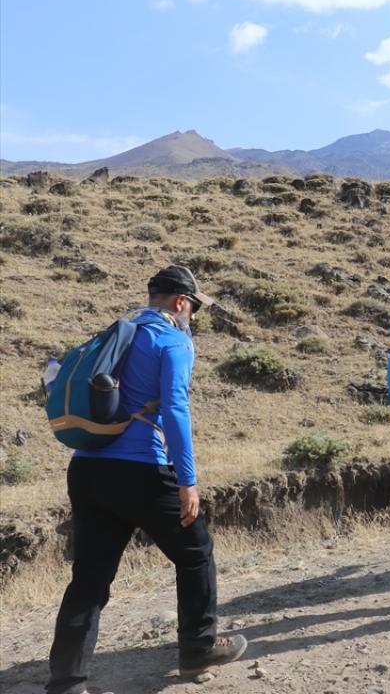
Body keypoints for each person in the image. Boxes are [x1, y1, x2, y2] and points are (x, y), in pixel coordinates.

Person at [47, 266, 247, 694]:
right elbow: (175, 408)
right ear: (179, 302)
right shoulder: (172, 338)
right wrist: (187, 480)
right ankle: (198, 648)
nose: (193, 316)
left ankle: (66, 681)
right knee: (196, 554)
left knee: (90, 578)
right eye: (193, 308)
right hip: (142, 470)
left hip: (87, 468)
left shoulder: (118, 330)